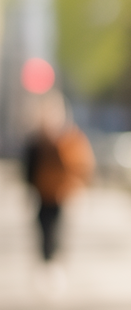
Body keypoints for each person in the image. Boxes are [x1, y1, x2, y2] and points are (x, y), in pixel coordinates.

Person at [22, 92, 94, 262]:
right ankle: (47, 260)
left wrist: (77, 188)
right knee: (44, 228)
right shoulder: (37, 141)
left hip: (62, 194)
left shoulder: (70, 140)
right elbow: (29, 168)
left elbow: (81, 166)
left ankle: (55, 260)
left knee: (59, 230)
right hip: (43, 193)